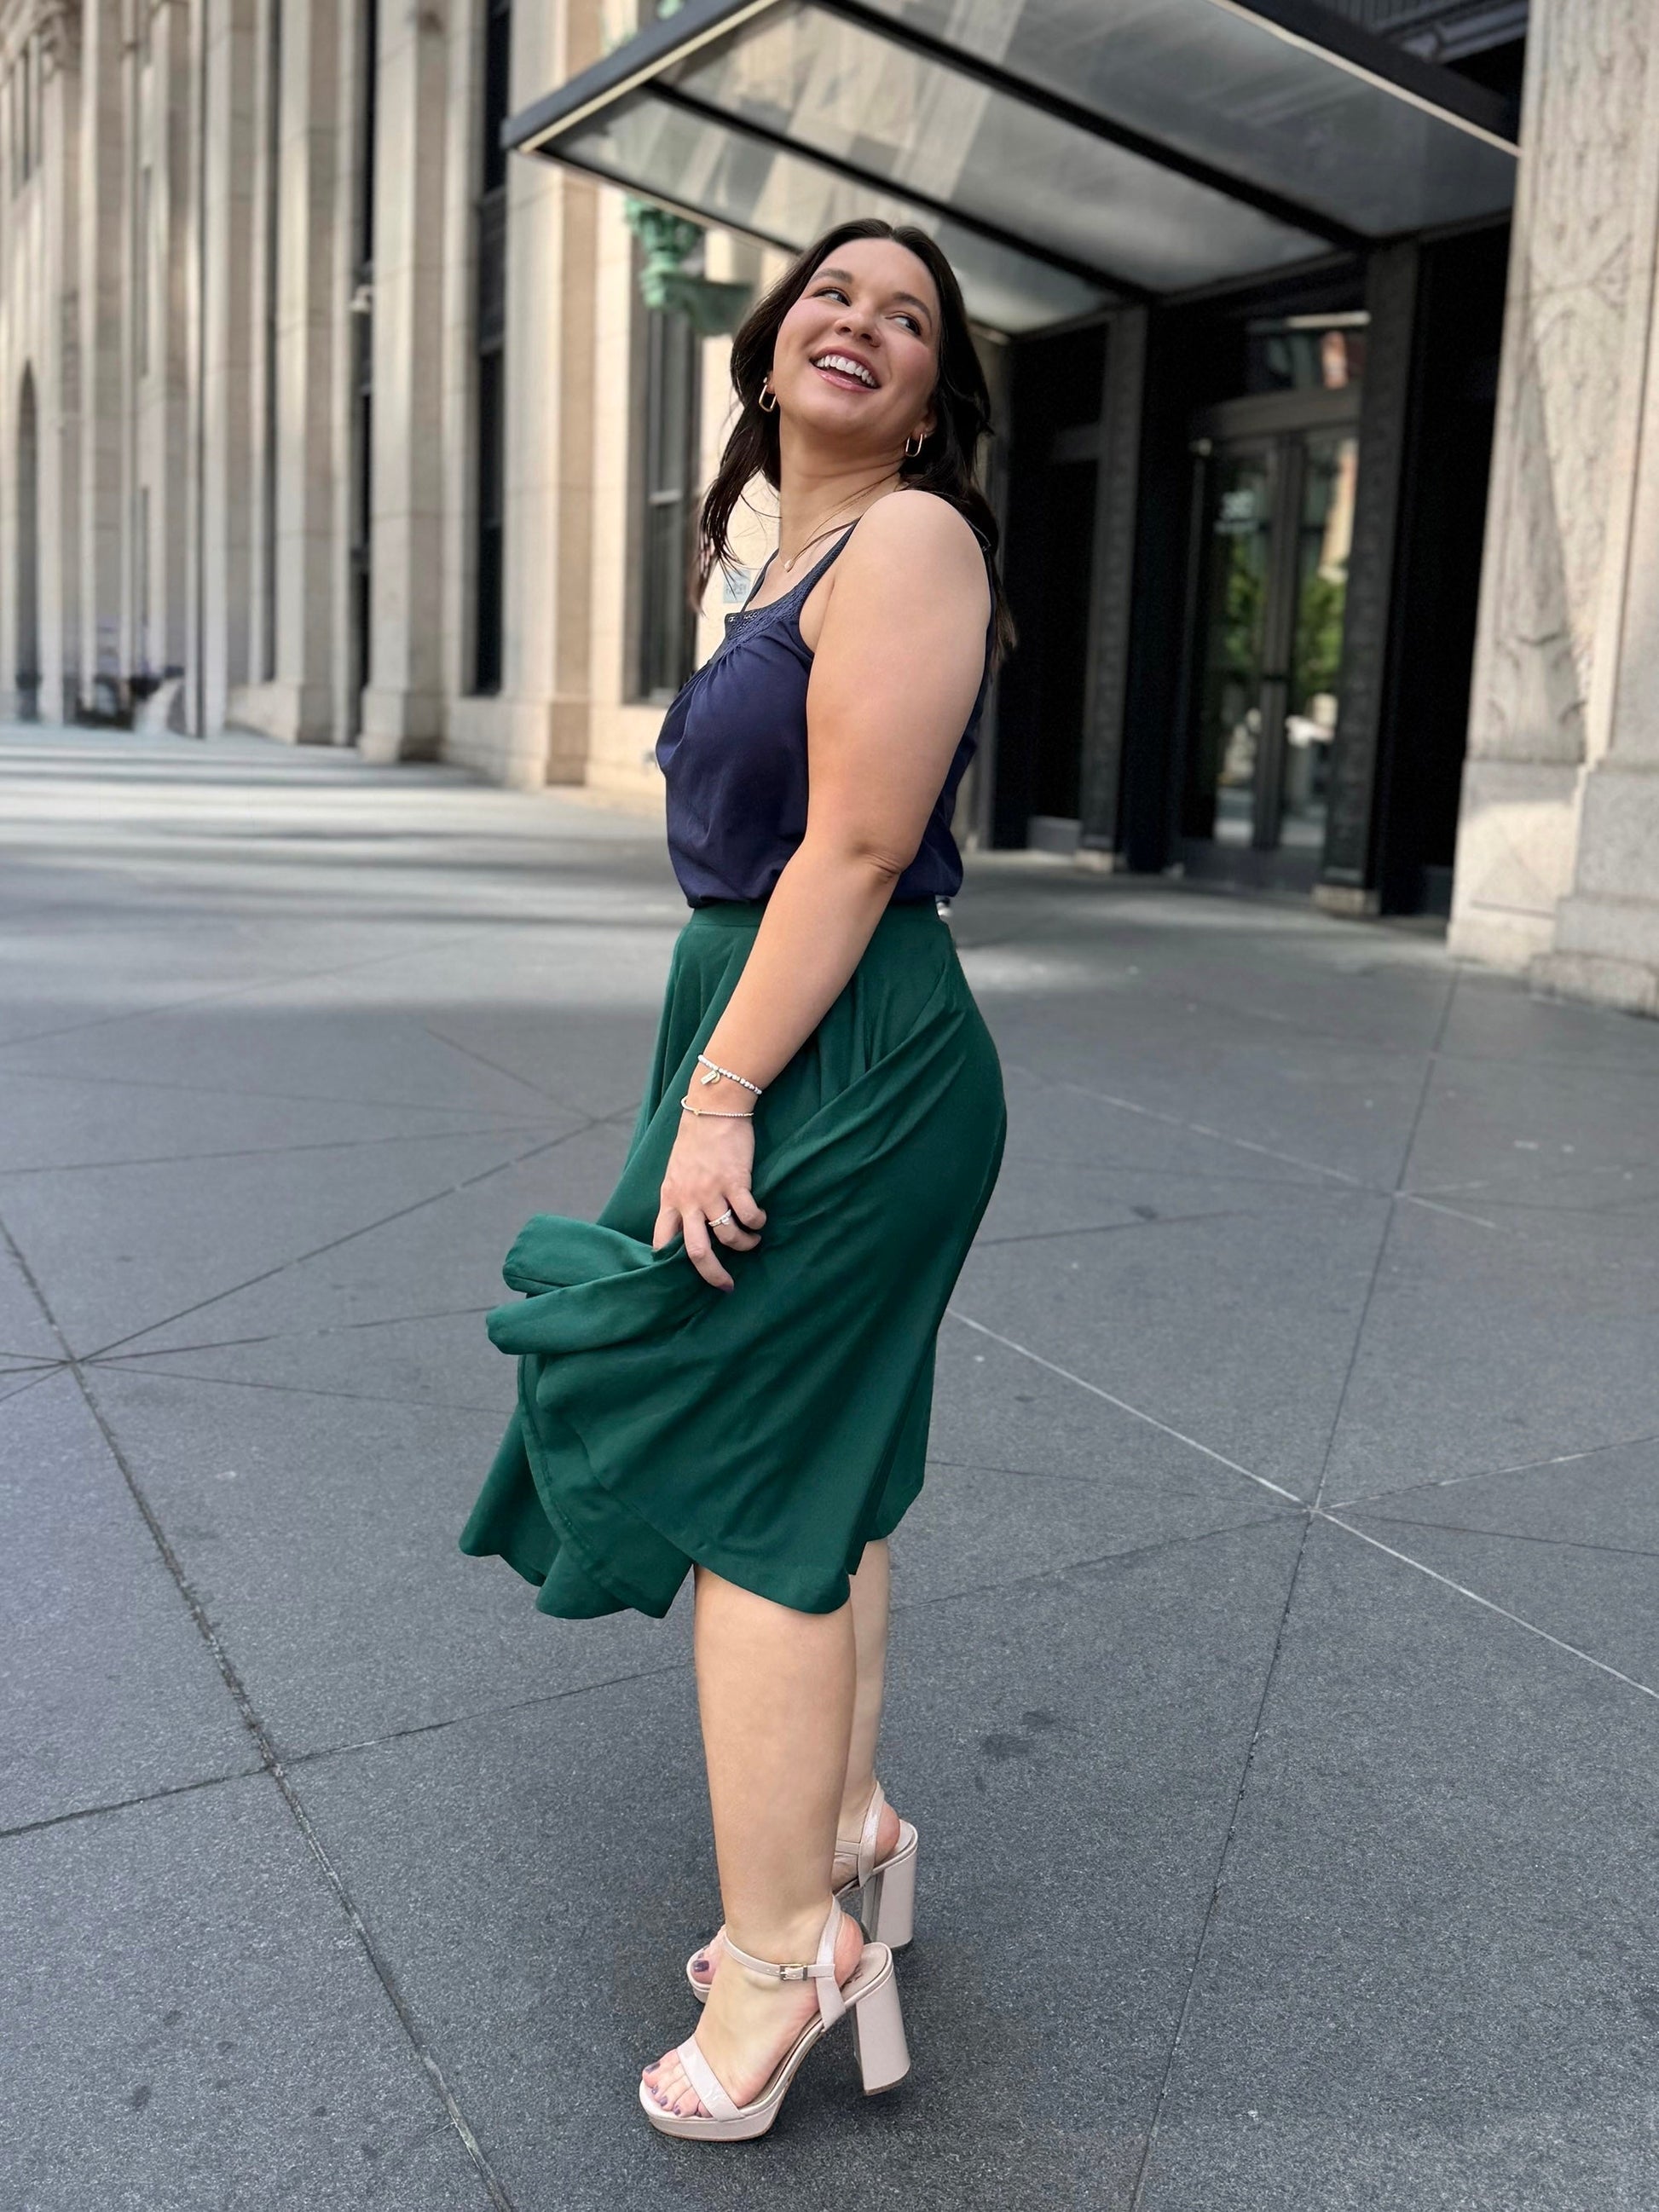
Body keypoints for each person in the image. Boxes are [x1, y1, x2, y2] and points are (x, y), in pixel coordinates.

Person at [459, 217, 1009, 2142]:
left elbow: (851, 853)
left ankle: (787, 1957)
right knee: (821, 1454)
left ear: (930, 398)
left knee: (754, 1490)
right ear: (770, 345)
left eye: (908, 317)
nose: (861, 322)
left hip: (838, 1050)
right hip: (778, 1023)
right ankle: (848, 1830)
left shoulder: (913, 540)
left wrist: (718, 1095)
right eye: (831, 295)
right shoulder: (772, 552)